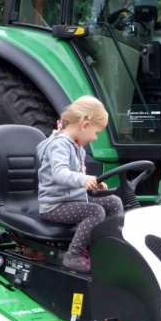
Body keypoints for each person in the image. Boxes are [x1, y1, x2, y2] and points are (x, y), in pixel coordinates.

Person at [36, 96, 123, 272]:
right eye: (97, 132)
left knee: (114, 202)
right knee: (95, 211)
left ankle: (105, 248)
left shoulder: (76, 147)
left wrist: (94, 183)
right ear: (85, 125)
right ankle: (73, 255)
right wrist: (84, 180)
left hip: (72, 199)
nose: (96, 138)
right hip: (55, 205)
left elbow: (77, 175)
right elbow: (60, 173)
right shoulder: (59, 145)